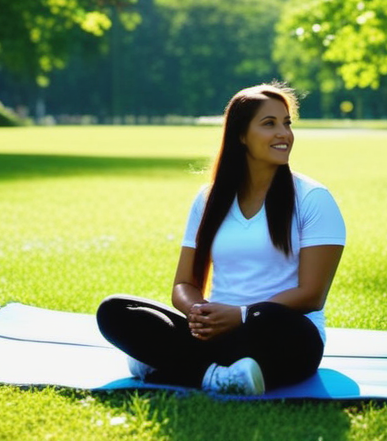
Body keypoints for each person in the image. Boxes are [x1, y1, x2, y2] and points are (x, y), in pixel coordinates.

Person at [96, 83, 345, 395]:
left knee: (271, 319)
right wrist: (200, 313)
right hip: (215, 335)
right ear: (241, 135)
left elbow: (312, 295)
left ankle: (167, 366)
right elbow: (184, 285)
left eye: (287, 123)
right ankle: (217, 376)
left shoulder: (313, 198)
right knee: (115, 311)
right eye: (270, 124)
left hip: (281, 334)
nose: (284, 133)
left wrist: (240, 315)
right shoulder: (209, 199)